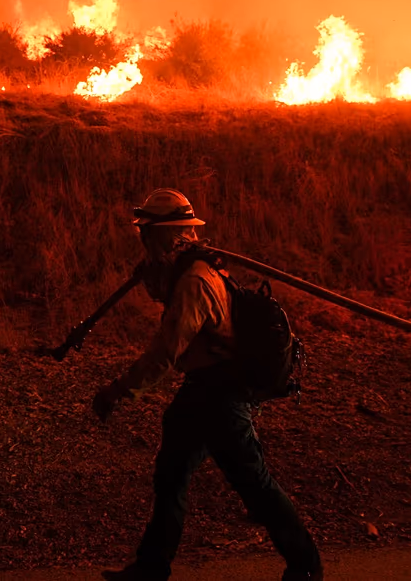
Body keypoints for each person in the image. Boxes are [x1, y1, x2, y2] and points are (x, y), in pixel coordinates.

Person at [93, 188, 323, 581]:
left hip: (220, 396)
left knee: (253, 483)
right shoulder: (192, 271)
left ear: (167, 234)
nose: (143, 239)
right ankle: (151, 567)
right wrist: (152, 274)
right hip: (202, 390)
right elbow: (167, 302)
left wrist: (118, 391)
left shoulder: (196, 281)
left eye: (148, 233)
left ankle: (306, 566)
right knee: (171, 474)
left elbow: (165, 353)